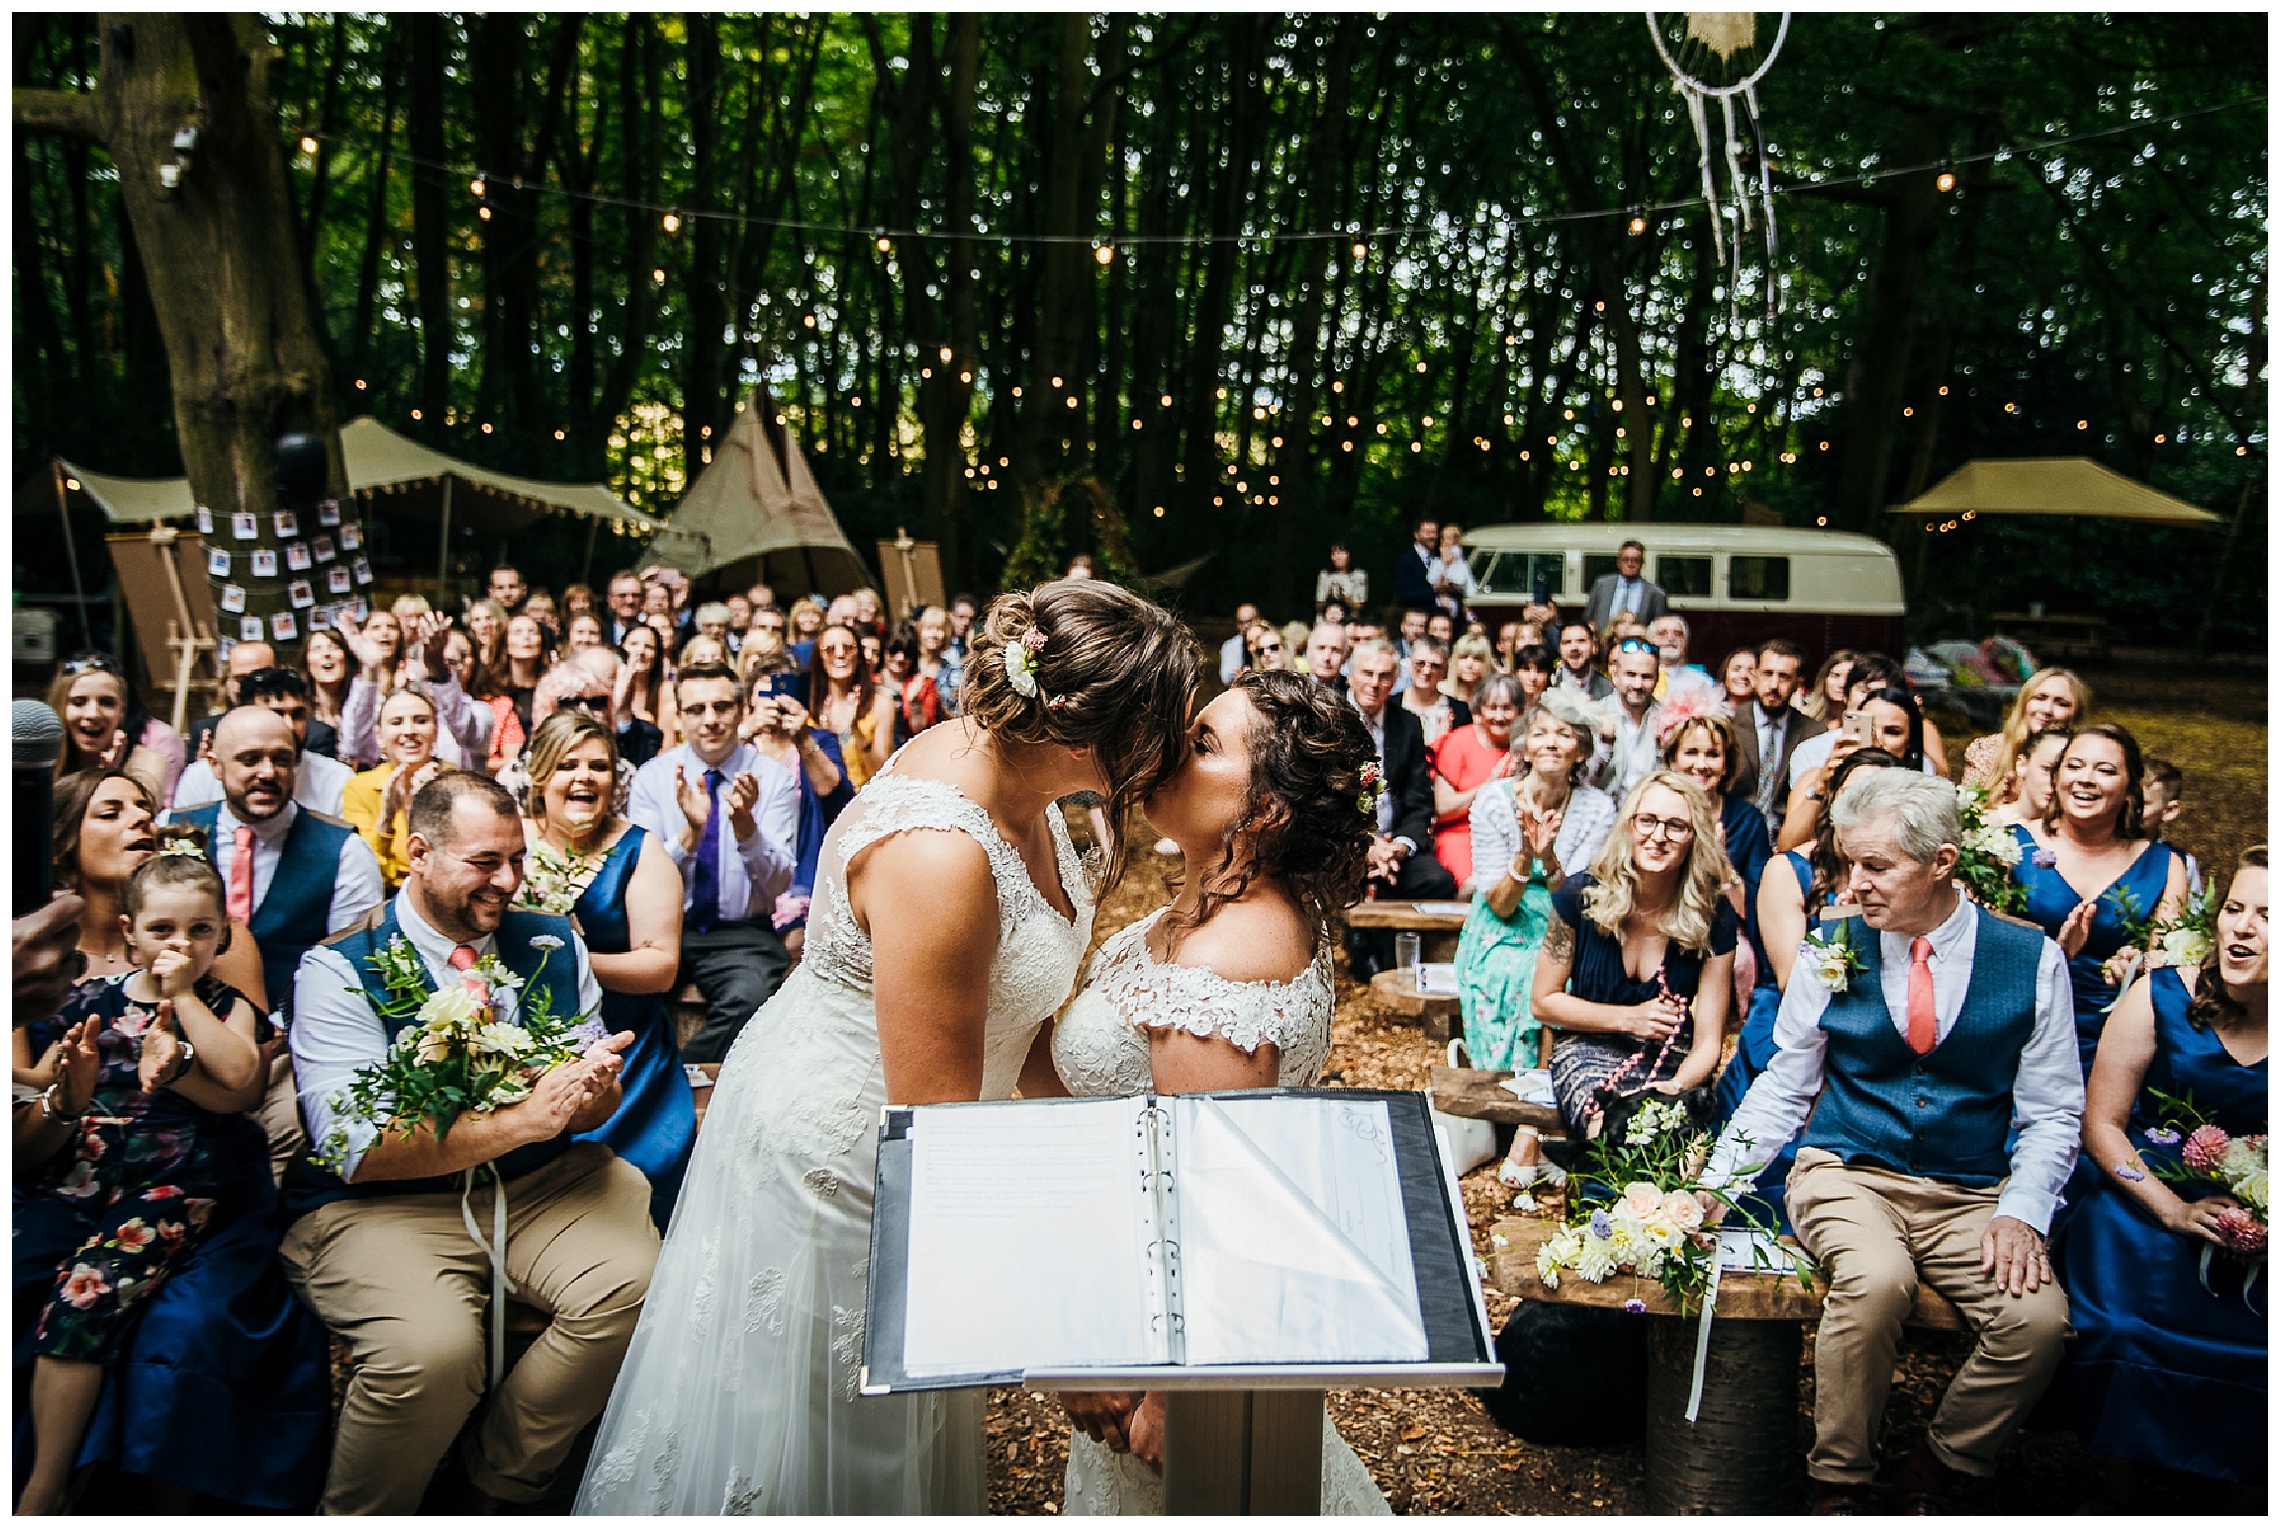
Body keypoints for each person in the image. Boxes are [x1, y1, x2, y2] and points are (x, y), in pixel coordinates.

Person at [577, 580, 1199, 1515]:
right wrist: (1064, 1337)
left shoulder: (1014, 767)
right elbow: (937, 1138)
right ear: (1080, 734)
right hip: (848, 1164)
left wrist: (1113, 1165)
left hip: (928, 1130)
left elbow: (1014, 1020)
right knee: (820, 1454)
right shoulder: (940, 855)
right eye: (1162, 732)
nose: (1173, 756)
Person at [1032, 671, 1390, 1515]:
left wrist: (1168, 1392)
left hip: (1172, 1352)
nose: (1166, 751)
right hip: (1132, 1287)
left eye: (1201, 746)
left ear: (1263, 812)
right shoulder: (1217, 903)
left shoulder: (1226, 959)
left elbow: (1217, 1202)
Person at [1700, 770, 2083, 1514]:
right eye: (1848, 864)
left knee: (2038, 1324)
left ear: (1942, 862)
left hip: (1969, 1191)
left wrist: (2023, 1211)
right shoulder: (1831, 946)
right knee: (1876, 1281)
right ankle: (1837, 1479)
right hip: (1845, 1171)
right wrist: (1717, 1187)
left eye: (1876, 866)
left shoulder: (2031, 962)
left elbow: (2053, 1112)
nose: (1854, 885)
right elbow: (1786, 1084)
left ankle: (1945, 1465)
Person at [282, 772, 653, 1515]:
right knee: (430, 1352)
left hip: (542, 1186)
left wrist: (593, 1092)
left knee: (641, 1288)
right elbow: (359, 1146)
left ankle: (499, 1485)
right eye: (486, 862)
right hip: (384, 1205)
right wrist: (526, 1118)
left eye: (516, 859)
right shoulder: (338, 970)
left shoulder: (550, 940)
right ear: (418, 853)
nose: (508, 881)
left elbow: (580, 1099)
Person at [12, 853, 304, 1515]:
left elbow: (241, 1081)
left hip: (175, 1185)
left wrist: (181, 1001)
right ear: (130, 934)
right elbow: (46, 1078)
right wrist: (61, 1088)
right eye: (164, 929)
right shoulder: (89, 1002)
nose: (181, 944)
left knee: (85, 1295)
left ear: (222, 937)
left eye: (201, 931)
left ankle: (44, 1488)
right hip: (80, 1176)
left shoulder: (227, 1007)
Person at [2052, 848, 2266, 1503]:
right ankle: (2120, 1488)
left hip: (2255, 1219)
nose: (2241, 928)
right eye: (2233, 908)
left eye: (2266, 916)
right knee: (2126, 1328)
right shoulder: (2163, 994)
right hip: (2139, 1200)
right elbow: (2101, 1126)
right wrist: (2171, 1210)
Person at [516, 711, 694, 1230]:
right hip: (516, 1042)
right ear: (541, 775)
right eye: (568, 764)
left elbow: (660, 968)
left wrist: (569, 956)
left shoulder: (641, 849)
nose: (584, 778)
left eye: (598, 767)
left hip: (623, 1051)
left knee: (628, 1190)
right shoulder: (511, 843)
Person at [1719, 746, 1905, 1232]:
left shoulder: (1911, 887)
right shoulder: (1790, 870)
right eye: (1854, 794)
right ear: (1832, 800)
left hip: (1884, 1026)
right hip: (1800, 1016)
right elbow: (1790, 977)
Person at [1534, 772, 1735, 1138]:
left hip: (1673, 1055)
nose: (1658, 836)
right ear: (1628, 825)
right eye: (1648, 821)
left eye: (1676, 826)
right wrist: (1630, 1019)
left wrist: (1676, 1087)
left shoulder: (1713, 914)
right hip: (1589, 1048)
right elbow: (1544, 1002)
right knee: (1611, 1127)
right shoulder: (1579, 895)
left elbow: (1708, 1041)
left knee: (1673, 1131)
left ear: (1694, 839)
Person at [626, 662, 800, 1064]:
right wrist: (691, 831)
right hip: (663, 927)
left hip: (741, 932)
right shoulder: (653, 779)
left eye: (721, 707)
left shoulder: (772, 779)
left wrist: (745, 828)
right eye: (696, 709)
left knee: (752, 997)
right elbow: (639, 878)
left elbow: (777, 887)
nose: (710, 720)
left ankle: (681, 1077)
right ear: (679, 715)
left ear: (741, 711)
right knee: (626, 999)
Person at [167, 707, 385, 1014]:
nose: (268, 772)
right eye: (250, 759)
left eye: (281, 759)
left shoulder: (344, 851)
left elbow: (351, 972)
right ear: (215, 766)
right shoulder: (171, 830)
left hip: (292, 1036)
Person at [1455, 690, 1616, 1081]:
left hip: (1565, 921)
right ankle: (1513, 1084)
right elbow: (1500, 905)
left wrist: (1549, 858)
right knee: (1521, 973)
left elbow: (1577, 896)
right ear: (1525, 747)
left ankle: (1552, 1084)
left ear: (1580, 752)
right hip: (1503, 924)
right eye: (1541, 733)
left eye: (1563, 734)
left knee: (1570, 975)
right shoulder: (1493, 801)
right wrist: (1526, 855)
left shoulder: (1598, 808)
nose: (1551, 743)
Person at [2009, 722, 2186, 1071]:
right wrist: (2051, 953)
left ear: (2130, 791)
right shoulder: (2008, 847)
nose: (2085, 779)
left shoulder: (2165, 865)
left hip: (2114, 1038)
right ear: (2057, 778)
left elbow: (2168, 965)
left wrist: (2139, 966)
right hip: (2017, 1027)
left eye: (2105, 771)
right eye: (2074, 766)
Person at [742, 657, 853, 949]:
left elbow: (838, 797)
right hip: (742, 869)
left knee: (796, 941)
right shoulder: (736, 744)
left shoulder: (818, 740)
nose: (774, 700)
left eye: (783, 691)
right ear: (749, 699)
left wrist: (803, 739)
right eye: (765, 693)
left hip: (802, 869)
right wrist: (745, 732)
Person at [1777, 674, 1930, 853]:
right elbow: (1787, 847)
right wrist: (1821, 786)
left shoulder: (1920, 789)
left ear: (1909, 741)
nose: (1877, 739)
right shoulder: (1814, 778)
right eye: (1870, 729)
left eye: (1892, 732)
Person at [171, 668, 354, 817]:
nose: (289, 726)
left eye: (297, 715)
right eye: (276, 714)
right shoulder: (200, 777)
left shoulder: (338, 779)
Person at [341, 685, 450, 889]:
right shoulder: (359, 787)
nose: (409, 731)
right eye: (396, 722)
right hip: (385, 895)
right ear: (380, 737)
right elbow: (364, 871)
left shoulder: (457, 782)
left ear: (435, 731)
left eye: (420, 721)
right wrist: (386, 819)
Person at [1429, 673, 1520, 891]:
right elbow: (1443, 809)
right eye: (1492, 708)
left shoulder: (1525, 747)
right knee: (1476, 888)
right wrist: (1491, 786)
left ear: (1520, 712)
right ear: (1479, 711)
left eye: (1507, 708)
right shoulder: (1459, 742)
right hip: (1461, 835)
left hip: (1512, 837)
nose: (1499, 716)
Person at [1729, 637, 1824, 830]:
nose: (1773, 685)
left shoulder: (1814, 733)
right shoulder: (1728, 724)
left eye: (1784, 677)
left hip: (1790, 833)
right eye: (1767, 674)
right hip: (1734, 831)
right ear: (1755, 677)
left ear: (1799, 683)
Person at [48, 659, 170, 805]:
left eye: (107, 703)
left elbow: (135, 821)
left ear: (122, 712)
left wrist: (108, 776)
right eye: (78, 702)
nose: (93, 714)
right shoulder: (38, 762)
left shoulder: (147, 762)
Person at [1961, 668, 2089, 801]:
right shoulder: (1987, 749)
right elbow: (1967, 808)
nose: (2047, 710)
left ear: (2076, 714)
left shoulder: (2081, 759)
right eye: (2040, 698)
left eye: (2061, 704)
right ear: (2024, 703)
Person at [809, 623, 899, 789]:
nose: (840, 654)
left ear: (858, 656)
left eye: (848, 648)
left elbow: (882, 773)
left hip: (864, 802)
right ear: (819, 657)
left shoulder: (880, 704)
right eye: (830, 649)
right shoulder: (807, 707)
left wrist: (856, 731)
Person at [481, 613, 555, 773]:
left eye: (532, 632)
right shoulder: (490, 693)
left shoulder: (553, 689)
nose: (526, 637)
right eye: (518, 632)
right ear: (506, 644)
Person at [1592, 636, 1663, 804]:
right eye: (1630, 675)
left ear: (1657, 679)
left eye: (1646, 677)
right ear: (1615, 676)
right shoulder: (1595, 715)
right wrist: (1604, 746)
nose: (1638, 684)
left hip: (1654, 816)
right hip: (1606, 818)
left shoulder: (1668, 718)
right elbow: (1582, 781)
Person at [184, 641, 276, 762]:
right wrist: (202, 768)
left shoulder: (302, 731)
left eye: (257, 678)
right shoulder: (206, 731)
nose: (247, 687)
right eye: (240, 679)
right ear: (228, 681)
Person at [1987, 726, 2071, 831]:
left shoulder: (2073, 835)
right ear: (2022, 765)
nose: (2054, 781)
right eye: (2046, 769)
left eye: (2063, 773)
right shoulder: (1986, 823)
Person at [2139, 757, 2203, 895]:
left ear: (2169, 811)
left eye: (2142, 804)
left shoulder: (2182, 864)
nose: (2129, 809)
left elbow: (2193, 914)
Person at [1583, 539, 1668, 630]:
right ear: (1618, 562)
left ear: (1642, 563)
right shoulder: (1601, 585)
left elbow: (1659, 627)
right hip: (1603, 640)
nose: (1630, 564)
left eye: (1635, 560)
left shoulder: (1656, 594)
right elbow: (1588, 618)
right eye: (1625, 559)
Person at [1401, 638, 1469, 747]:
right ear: (1409, 664)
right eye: (1420, 663)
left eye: (1435, 666)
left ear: (1444, 671)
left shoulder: (1460, 712)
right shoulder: (1391, 705)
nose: (1426, 671)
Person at [881, 619, 942, 741]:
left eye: (907, 653)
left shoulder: (926, 684)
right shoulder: (872, 683)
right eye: (894, 651)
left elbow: (920, 730)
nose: (900, 658)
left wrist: (914, 701)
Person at [302, 627, 353, 735]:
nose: (326, 654)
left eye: (333, 647)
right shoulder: (299, 713)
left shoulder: (361, 708)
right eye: (317, 649)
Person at [1553, 617, 1612, 701]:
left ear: (1594, 646)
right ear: (1559, 648)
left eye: (1581, 641)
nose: (1574, 647)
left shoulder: (1609, 689)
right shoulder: (1548, 684)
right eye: (1567, 642)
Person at [915, 605, 959, 717]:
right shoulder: (911, 666)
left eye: (939, 629)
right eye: (929, 628)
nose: (933, 635)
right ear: (920, 631)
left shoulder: (952, 671)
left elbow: (958, 711)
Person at [1392, 517, 1442, 613]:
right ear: (1417, 534)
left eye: (1435, 532)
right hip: (1417, 615)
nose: (1433, 536)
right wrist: (1434, 590)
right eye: (1428, 532)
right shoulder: (1406, 560)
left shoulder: (1441, 557)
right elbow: (1404, 595)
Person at [1798, 648, 1857, 724]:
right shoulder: (1804, 717)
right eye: (1836, 676)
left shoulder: (1863, 721)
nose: (1842, 683)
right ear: (1824, 679)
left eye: (1849, 677)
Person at [1432, 522, 1475, 622]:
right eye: (1443, 538)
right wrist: (1445, 564)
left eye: (1449, 538)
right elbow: (1434, 581)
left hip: (1457, 600)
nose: (1446, 541)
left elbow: (1461, 582)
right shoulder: (1437, 561)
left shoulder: (1461, 563)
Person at [1317, 541, 1368, 616]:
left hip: (1350, 619)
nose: (1338, 557)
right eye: (1335, 553)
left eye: (1342, 553)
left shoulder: (1358, 575)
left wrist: (1343, 597)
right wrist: (1329, 597)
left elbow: (1359, 606)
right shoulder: (1324, 575)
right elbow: (1318, 606)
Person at [1446, 632, 1494, 707]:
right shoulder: (1441, 694)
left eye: (1477, 658)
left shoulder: (1495, 695)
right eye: (1464, 657)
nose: (1469, 664)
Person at [1220, 601, 1262, 685]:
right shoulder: (1230, 646)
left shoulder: (1271, 642)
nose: (1245, 626)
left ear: (1258, 619)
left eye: (1249, 621)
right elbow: (1225, 677)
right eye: (1241, 622)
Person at [603, 570, 648, 647]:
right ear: (610, 600)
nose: (629, 601)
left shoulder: (650, 634)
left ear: (643, 599)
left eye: (635, 595)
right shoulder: (601, 633)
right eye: (622, 596)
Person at [1303, 620, 1350, 688]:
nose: (1327, 657)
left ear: (1345, 656)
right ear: (1308, 652)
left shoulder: (1352, 692)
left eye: (1335, 650)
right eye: (1321, 648)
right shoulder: (1294, 690)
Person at [1510, 644, 1554, 709]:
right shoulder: (1506, 703)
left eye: (1540, 671)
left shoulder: (1555, 706)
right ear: (1516, 672)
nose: (1532, 677)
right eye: (1527, 670)